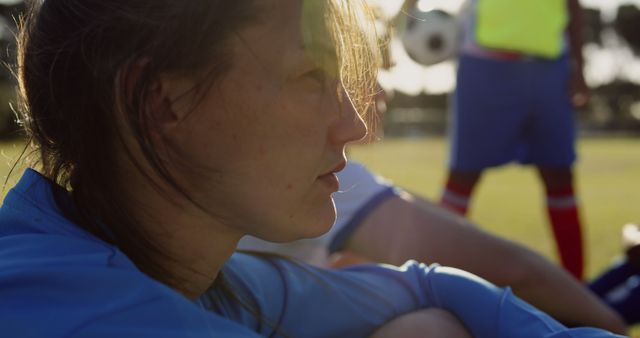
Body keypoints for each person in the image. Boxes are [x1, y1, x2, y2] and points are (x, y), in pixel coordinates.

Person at [0, 0, 625, 337]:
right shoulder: (78, 317)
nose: (353, 125)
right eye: (310, 76)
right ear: (163, 102)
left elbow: (430, 285)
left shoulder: (205, 278)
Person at [239, 160, 627, 333]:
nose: (352, 118)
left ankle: (627, 271)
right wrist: (609, 328)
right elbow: (516, 272)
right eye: (314, 77)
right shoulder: (321, 177)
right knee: (431, 327)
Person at [436, 0, 589, 281]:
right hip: (485, 62)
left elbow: (573, 5)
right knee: (463, 176)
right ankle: (428, 278)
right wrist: (406, 13)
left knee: (560, 174)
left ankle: (578, 288)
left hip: (550, 65)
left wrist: (579, 65)